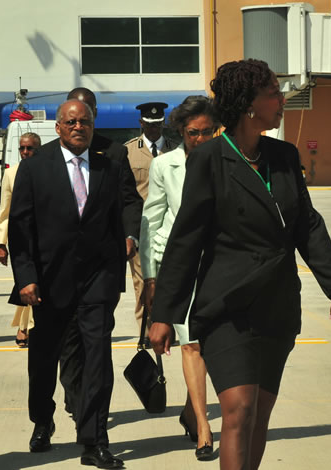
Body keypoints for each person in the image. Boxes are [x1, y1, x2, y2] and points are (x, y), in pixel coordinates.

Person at [149, 59, 331, 470]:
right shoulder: (209, 158)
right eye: (272, 94)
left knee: (258, 416)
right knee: (238, 410)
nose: (281, 100)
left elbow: (307, 225)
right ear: (248, 105)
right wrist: (164, 314)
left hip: (276, 306)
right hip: (227, 306)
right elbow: (187, 238)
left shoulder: (283, 155)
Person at [9, 99, 126, 469]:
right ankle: (42, 421)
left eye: (86, 122)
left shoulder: (108, 165)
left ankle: (94, 440)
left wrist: (125, 251)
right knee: (44, 359)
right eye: (72, 122)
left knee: (97, 360)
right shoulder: (35, 167)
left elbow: (120, 215)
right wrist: (25, 277)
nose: (79, 127)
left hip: (96, 281)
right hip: (48, 281)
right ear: (58, 127)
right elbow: (20, 227)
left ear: (93, 126)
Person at [57, 87, 143, 420]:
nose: (81, 122)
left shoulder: (115, 153)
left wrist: (129, 234)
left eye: (88, 112)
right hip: (62, 270)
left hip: (103, 268)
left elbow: (130, 201)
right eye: (74, 116)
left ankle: (92, 412)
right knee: (70, 344)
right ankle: (75, 396)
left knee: (97, 342)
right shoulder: (49, 158)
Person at [140, 96, 217, 461]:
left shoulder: (224, 163)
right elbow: (151, 220)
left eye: (207, 132)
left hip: (219, 266)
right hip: (179, 267)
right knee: (191, 344)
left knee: (210, 346)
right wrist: (153, 276)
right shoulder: (163, 166)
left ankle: (190, 409)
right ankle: (203, 427)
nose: (200, 139)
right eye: (192, 133)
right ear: (180, 132)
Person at [124, 102, 173, 335]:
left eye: (158, 124)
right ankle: (145, 330)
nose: (154, 129)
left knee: (169, 280)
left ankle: (168, 326)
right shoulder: (129, 151)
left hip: (170, 227)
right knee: (142, 282)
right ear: (141, 123)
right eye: (149, 124)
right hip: (142, 228)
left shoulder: (177, 150)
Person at [0, 132, 41, 347]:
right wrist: (1, 244)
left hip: (43, 240)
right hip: (20, 240)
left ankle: (29, 326)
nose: (25, 152)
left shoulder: (48, 171)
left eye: (30, 148)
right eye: (22, 148)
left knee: (37, 284)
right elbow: (5, 212)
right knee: (24, 283)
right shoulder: (11, 174)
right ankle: (24, 328)